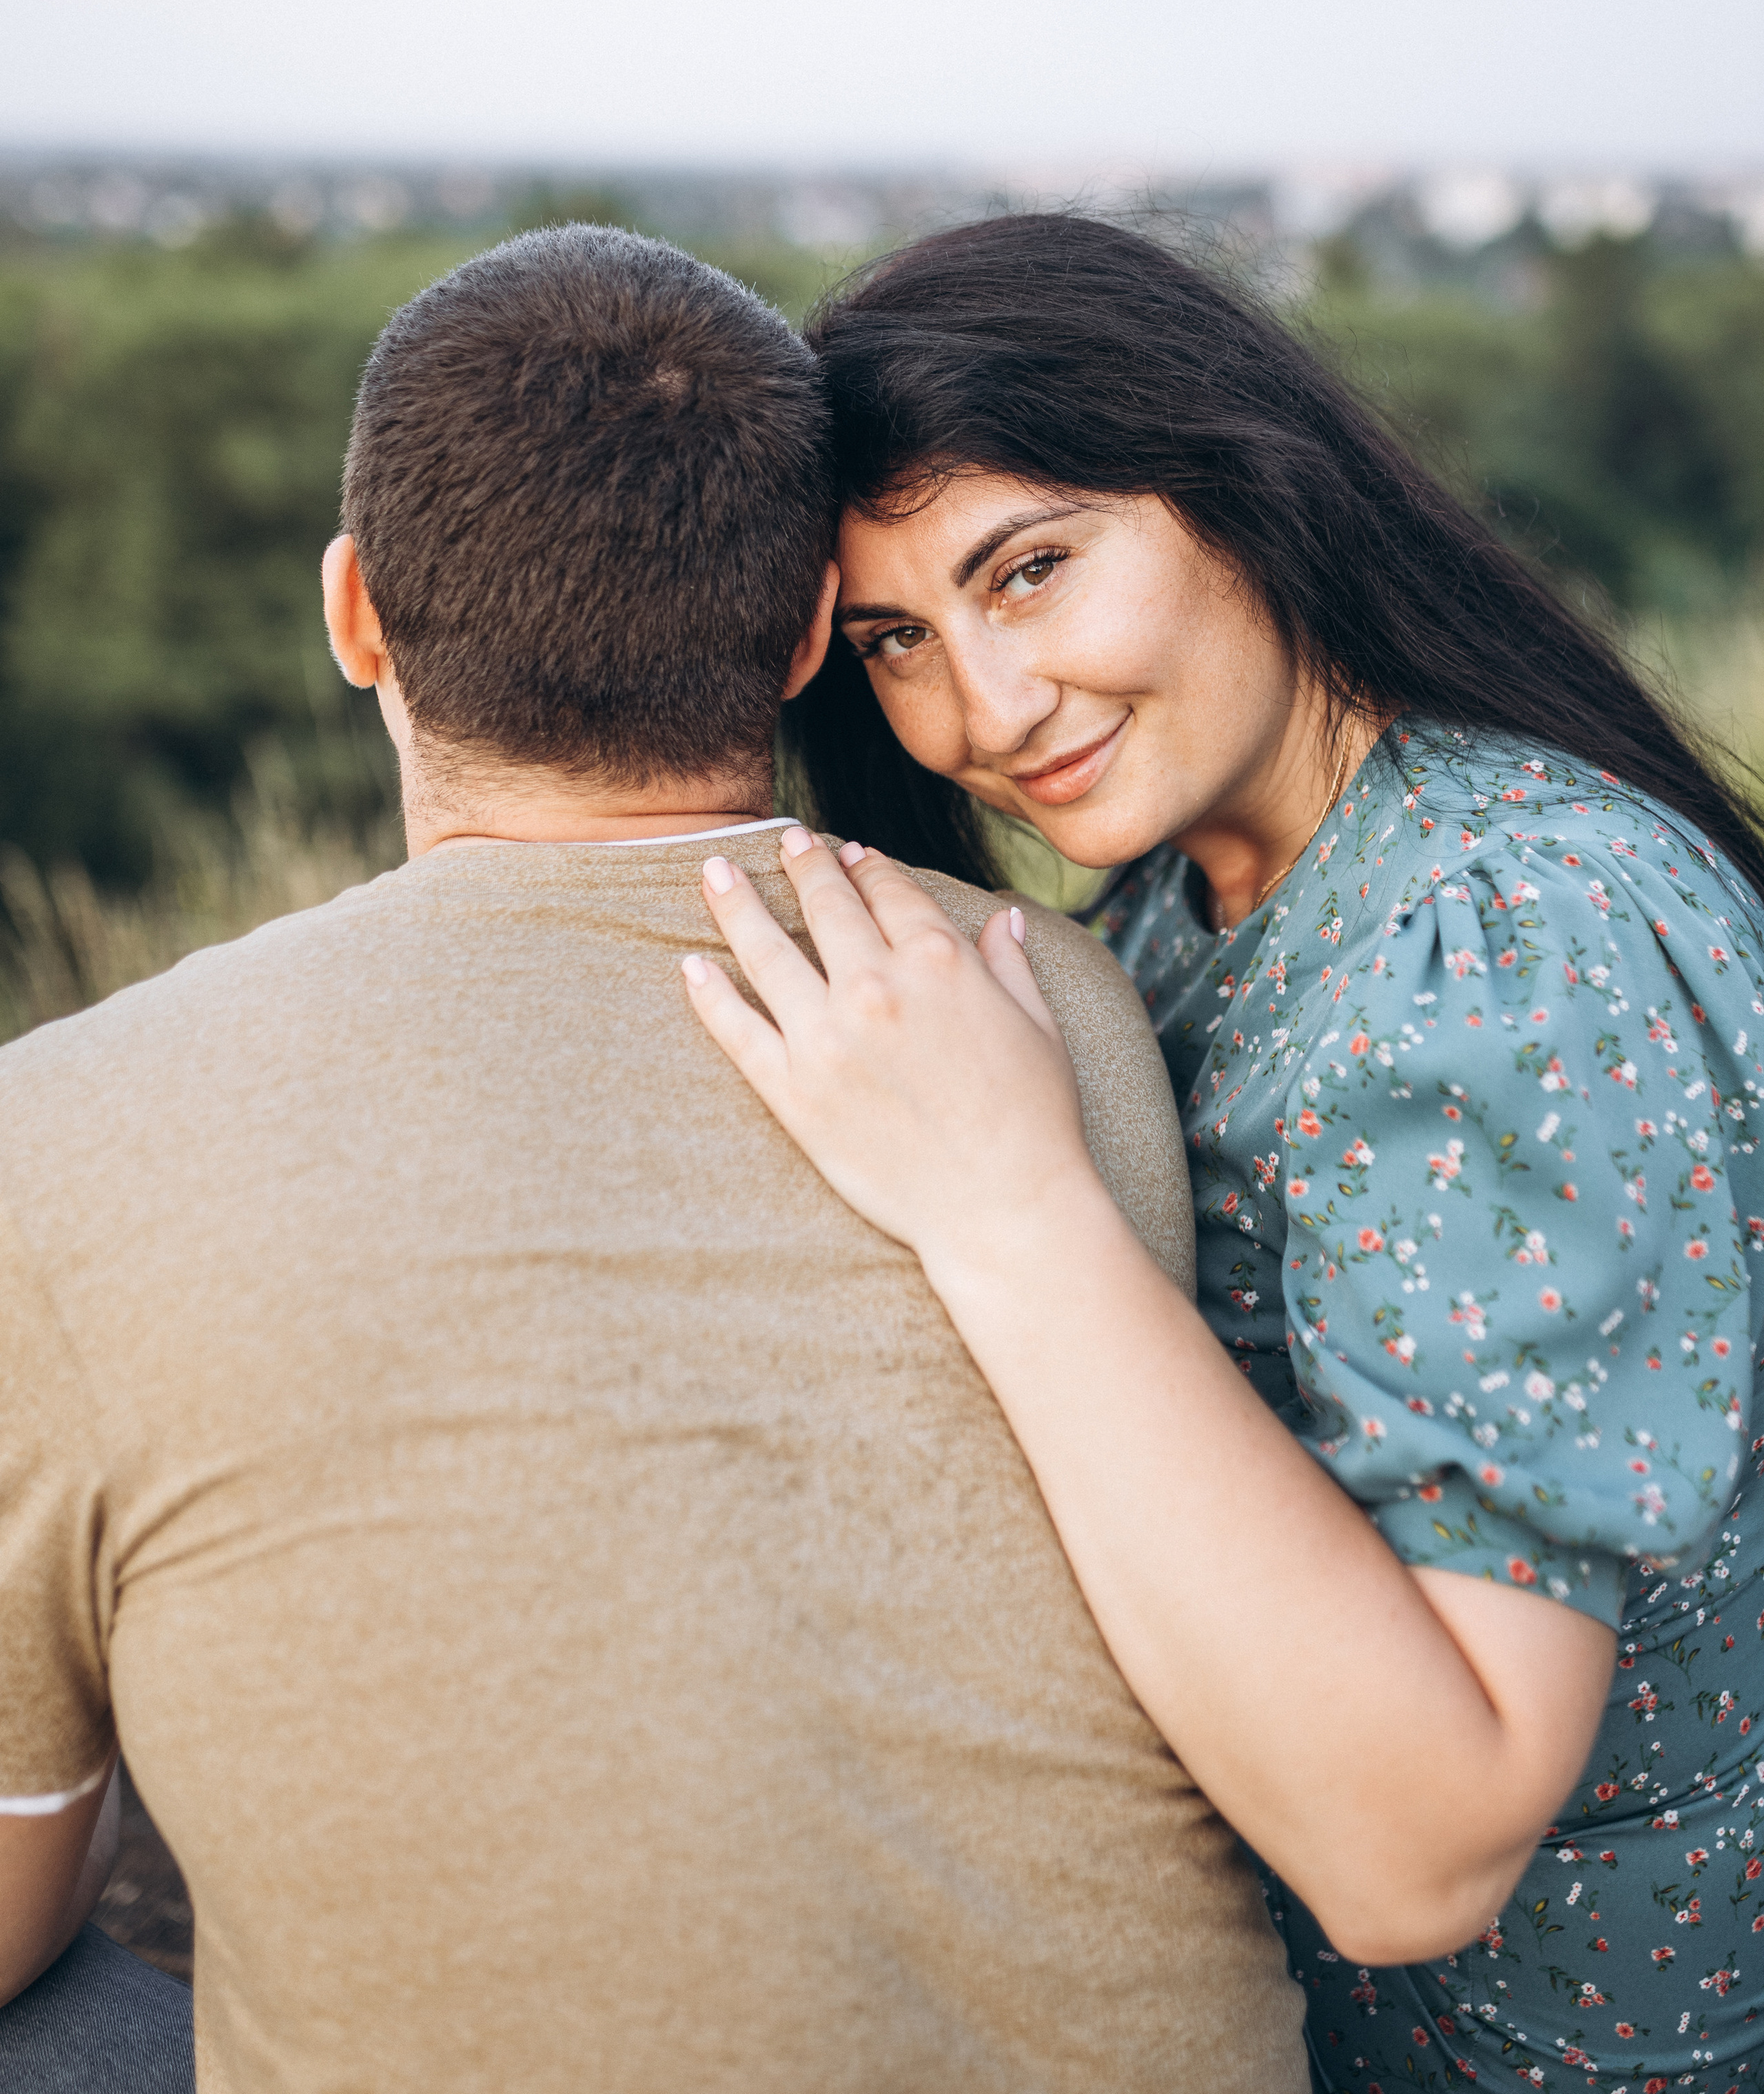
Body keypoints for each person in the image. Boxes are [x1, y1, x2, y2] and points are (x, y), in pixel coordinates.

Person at [0, 223, 1309, 2092]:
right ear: (800, 638)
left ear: (355, 613)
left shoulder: (55, 1126)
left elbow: (19, 1901)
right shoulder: (1051, 1000)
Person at [685, 210, 1764, 2094]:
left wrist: (1005, 1204)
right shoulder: (1201, 894)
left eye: (1030, 570)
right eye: (898, 643)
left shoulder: (1507, 946)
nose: (984, 713)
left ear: (1239, 478)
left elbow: (1425, 1841)